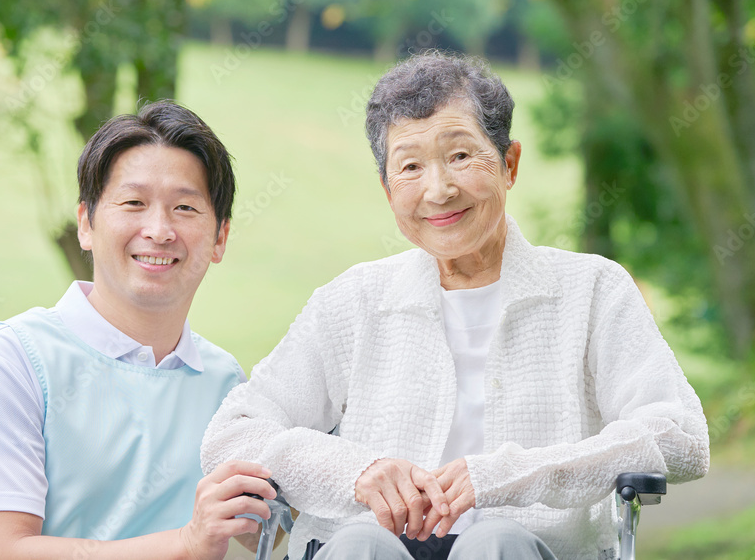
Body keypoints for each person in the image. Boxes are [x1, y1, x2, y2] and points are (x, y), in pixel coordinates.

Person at [200, 51, 710, 560]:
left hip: (533, 551)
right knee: (359, 546)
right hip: (362, 548)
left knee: (497, 542)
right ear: (387, 189)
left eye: (461, 156)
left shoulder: (593, 290)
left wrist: (505, 476)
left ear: (509, 164)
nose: (439, 190)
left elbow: (680, 435)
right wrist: (354, 471)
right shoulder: (350, 302)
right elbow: (232, 433)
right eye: (410, 166)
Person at [0, 101, 277, 560]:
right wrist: (187, 543)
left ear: (220, 238)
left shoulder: (225, 383)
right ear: (86, 223)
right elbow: (4, 551)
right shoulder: (5, 362)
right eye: (133, 203)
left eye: (185, 207)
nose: (159, 229)